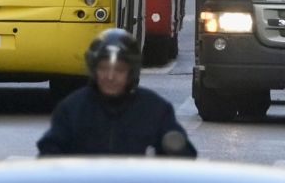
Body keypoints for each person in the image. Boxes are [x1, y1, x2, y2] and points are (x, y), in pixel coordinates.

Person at [37, 28, 196, 158]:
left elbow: (183, 160)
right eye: (104, 69)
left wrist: (173, 147)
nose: (110, 77)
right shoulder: (72, 109)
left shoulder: (154, 109)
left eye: (119, 70)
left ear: (131, 72)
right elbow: (48, 156)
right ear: (94, 69)